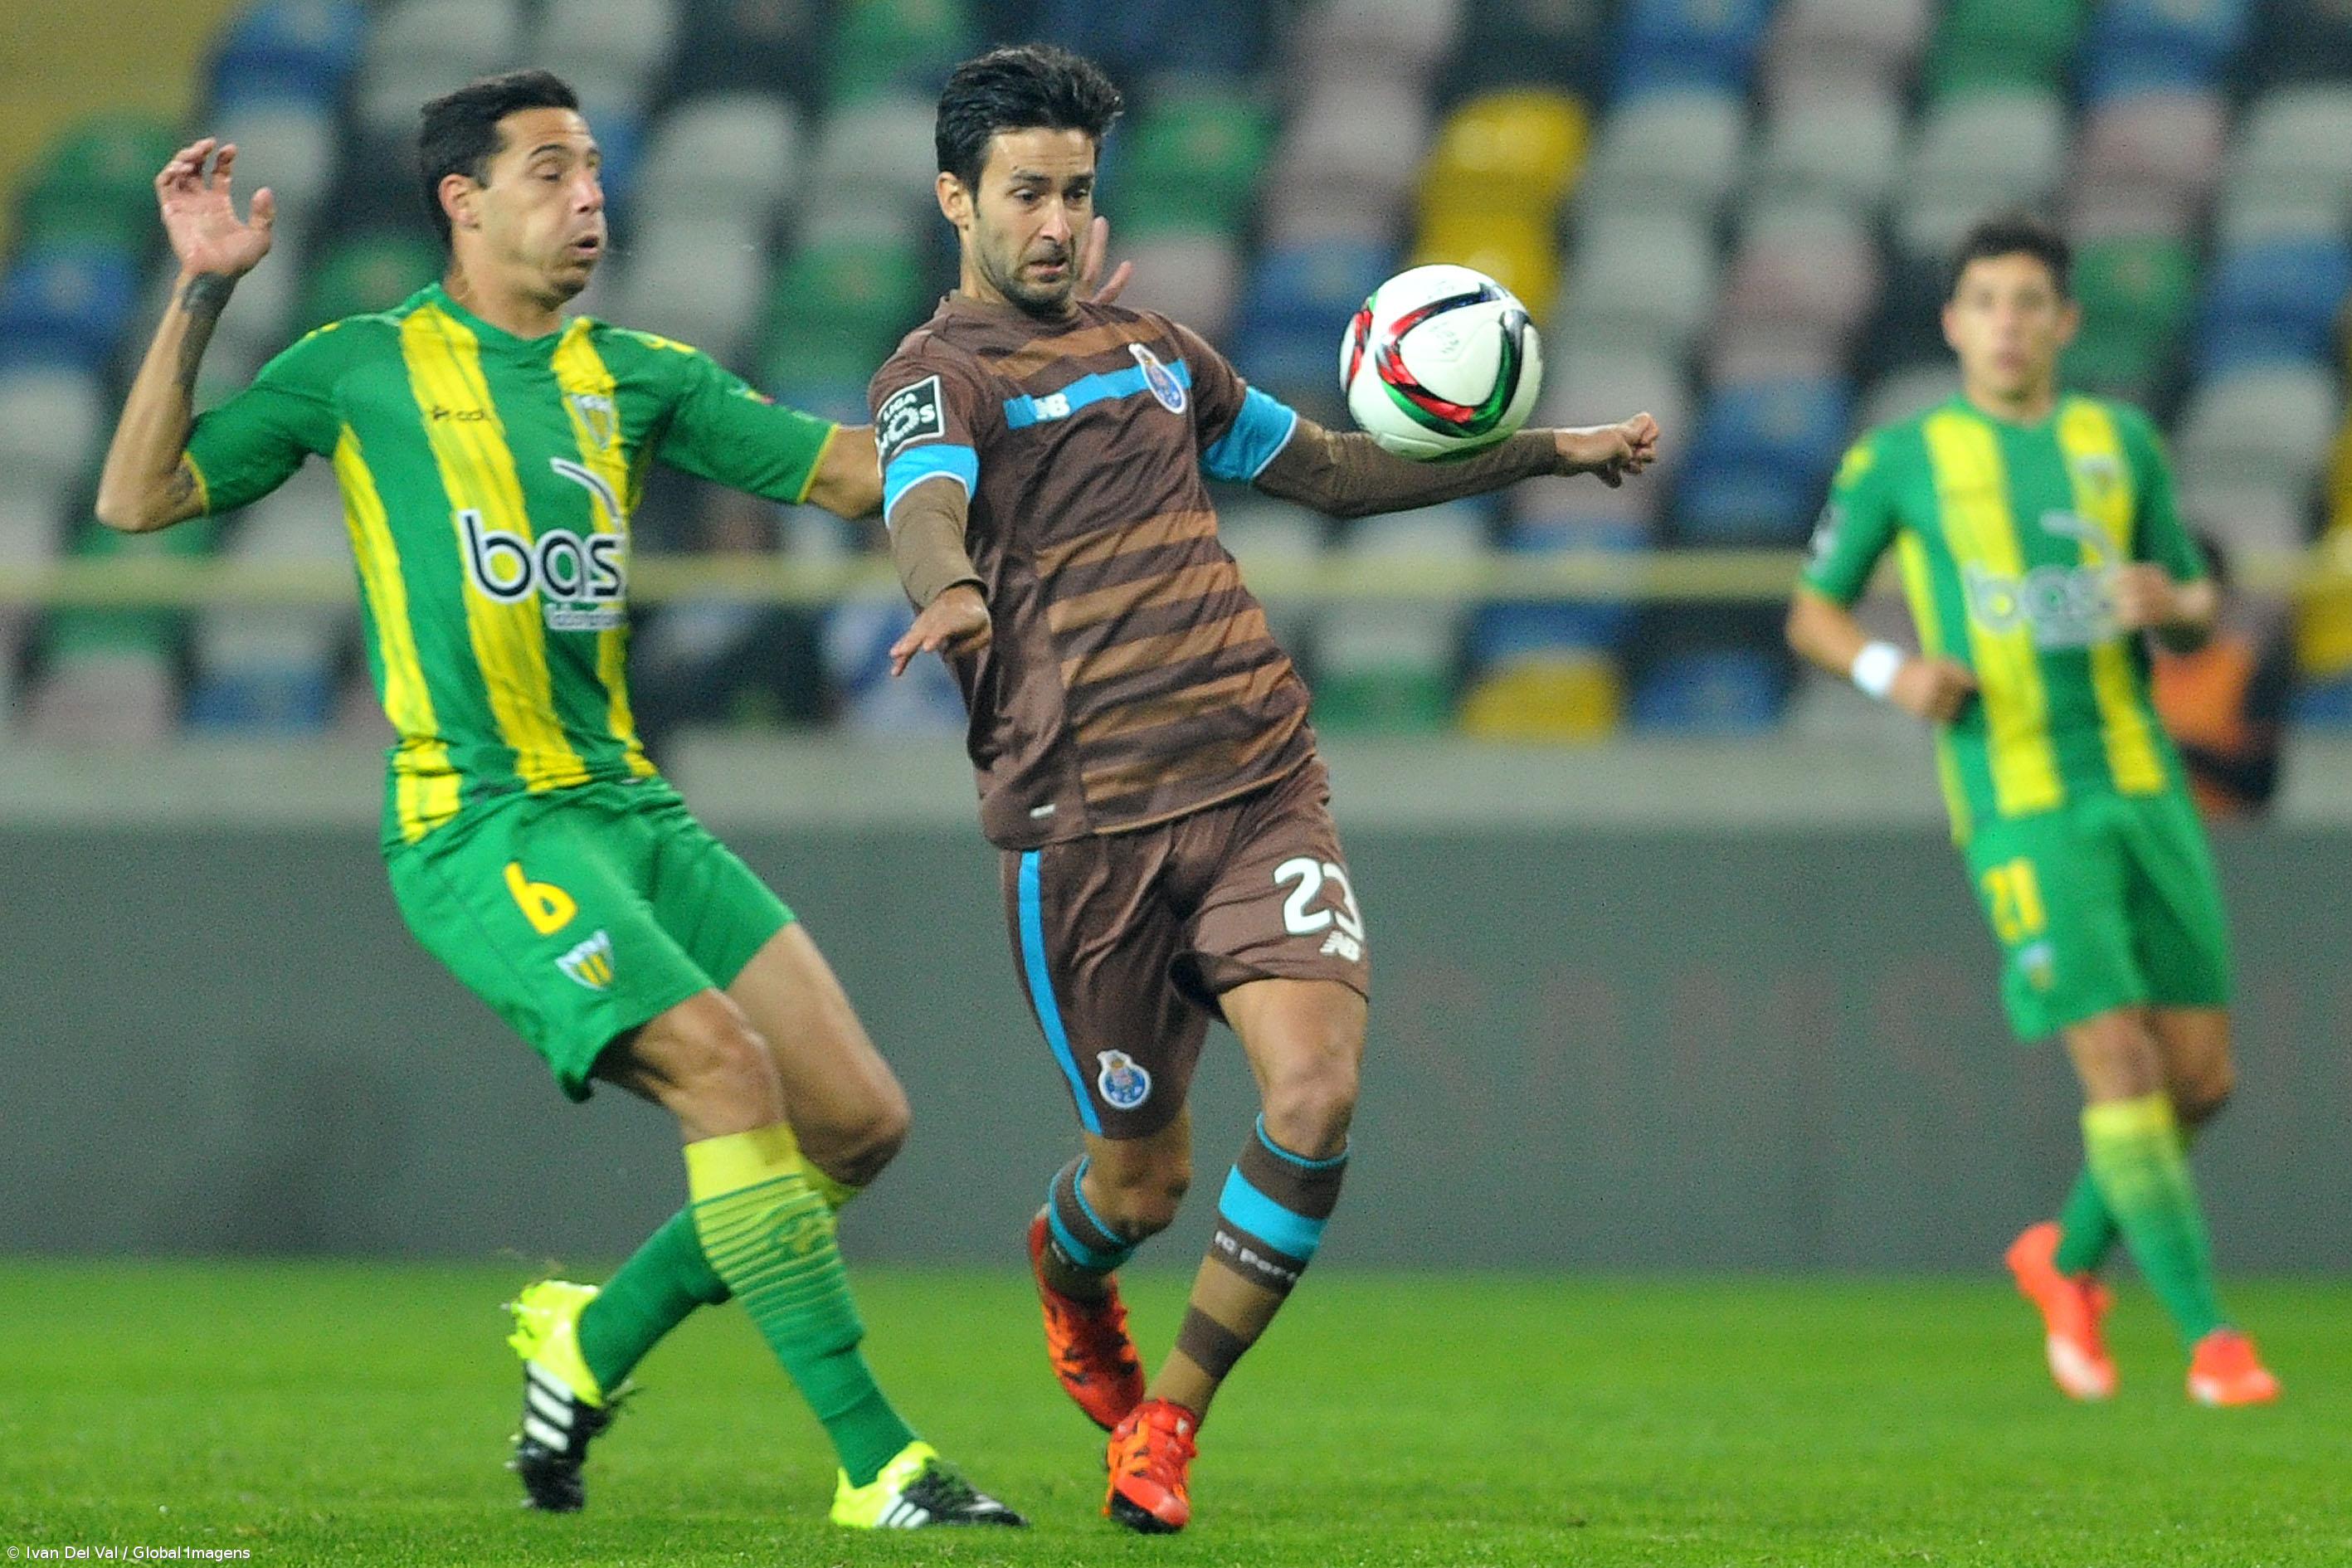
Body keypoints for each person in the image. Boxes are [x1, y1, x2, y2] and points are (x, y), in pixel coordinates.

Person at [91, 69, 1059, 1527]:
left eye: (597, 169)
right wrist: (205, 295)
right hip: (480, 824)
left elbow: (857, 480)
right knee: (727, 1071)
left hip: (631, 811)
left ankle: (588, 1340)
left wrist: (1022, 399)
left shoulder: (641, 374)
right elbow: (136, 500)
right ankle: (880, 1464)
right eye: (551, 171)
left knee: (857, 1123)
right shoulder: (361, 366)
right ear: (461, 203)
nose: (589, 196)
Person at [868, 43, 1658, 1534]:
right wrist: (951, 589)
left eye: (1076, 191)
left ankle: (1168, 1423)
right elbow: (925, 493)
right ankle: (1066, 1262)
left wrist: (1550, 452)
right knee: (1142, 1187)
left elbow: (1338, 473)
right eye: (1025, 191)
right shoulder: (937, 374)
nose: (1052, 219)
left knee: (1316, 1088)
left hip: (1255, 782)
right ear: (954, 200)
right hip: (1079, 835)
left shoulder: (1161, 351)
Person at [1785, 212, 2279, 1408]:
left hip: (2141, 783)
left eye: (2027, 302)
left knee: (2197, 1082)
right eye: (1984, 302)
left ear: (2061, 322)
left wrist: (2170, 604)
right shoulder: (1901, 457)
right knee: (2115, 1062)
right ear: (1953, 323)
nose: (2006, 322)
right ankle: (2211, 1340)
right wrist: (1891, 675)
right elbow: (1813, 613)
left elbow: (2194, 607)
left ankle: (2060, 1264)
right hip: (2014, 796)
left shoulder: (2119, 443)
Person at [2150, 533, 2293, 820]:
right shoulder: (2137, 670)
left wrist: (2179, 752)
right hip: (2158, 831)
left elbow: (2260, 783)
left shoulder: (2248, 671)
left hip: (2228, 835)